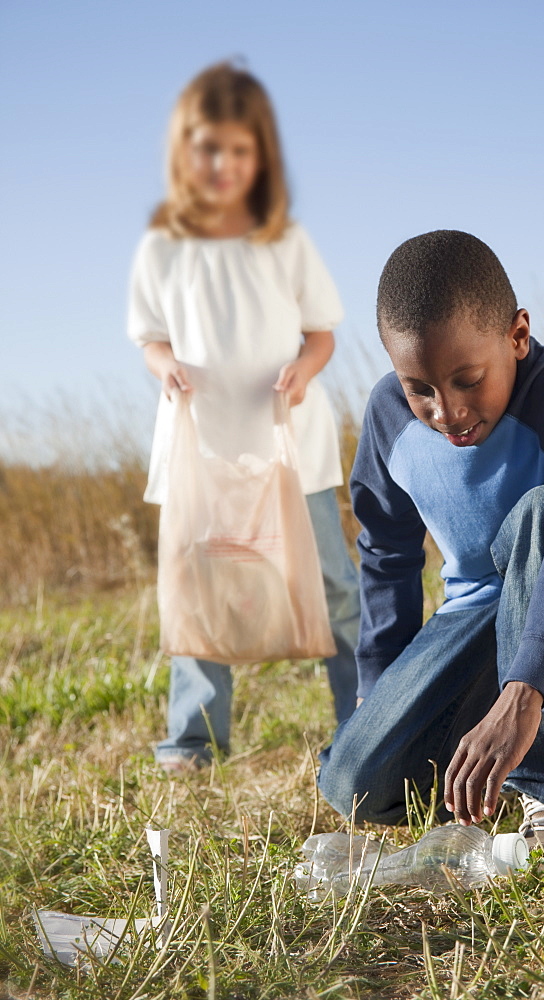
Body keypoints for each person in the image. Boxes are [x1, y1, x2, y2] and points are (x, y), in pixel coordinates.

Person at [318, 231, 544, 860]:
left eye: (467, 379)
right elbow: (387, 557)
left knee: (541, 516)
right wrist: (387, 694)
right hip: (484, 603)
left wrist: (524, 692)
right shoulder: (386, 421)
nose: (446, 411)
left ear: (517, 336)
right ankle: (496, 767)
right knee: (353, 782)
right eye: (419, 388)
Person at [127, 61, 359, 772]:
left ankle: (362, 725)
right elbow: (149, 334)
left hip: (290, 448)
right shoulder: (164, 247)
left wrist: (303, 371)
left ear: (260, 155)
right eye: (207, 148)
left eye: (238, 149)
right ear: (183, 151)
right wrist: (164, 365)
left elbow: (321, 331)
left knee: (335, 589)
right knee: (200, 592)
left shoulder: (283, 240)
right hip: (199, 449)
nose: (222, 164)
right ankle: (193, 740)